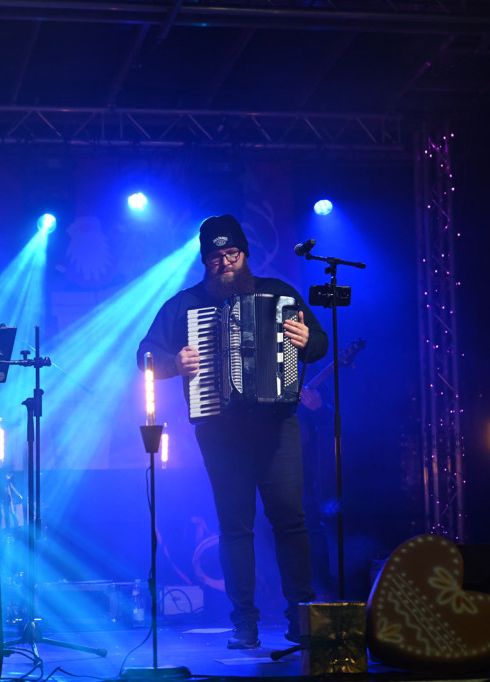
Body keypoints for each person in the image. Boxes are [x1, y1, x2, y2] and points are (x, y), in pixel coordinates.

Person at [137, 215, 329, 649]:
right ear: (205, 261)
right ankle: (245, 622)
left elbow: (319, 343)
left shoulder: (279, 293)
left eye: (231, 254)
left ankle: (302, 617)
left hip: (277, 424)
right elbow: (145, 354)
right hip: (220, 430)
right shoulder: (184, 305)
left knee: (290, 522)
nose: (224, 262)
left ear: (244, 254)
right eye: (215, 257)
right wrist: (174, 364)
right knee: (235, 526)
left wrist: (304, 339)